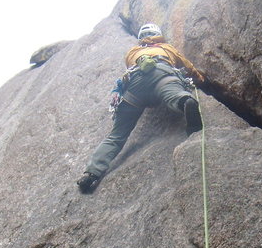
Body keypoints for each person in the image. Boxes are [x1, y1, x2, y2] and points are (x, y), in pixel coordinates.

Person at [77, 23, 206, 193]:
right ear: (157, 34)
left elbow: (128, 67)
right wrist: (199, 79)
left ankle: (91, 173)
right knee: (173, 94)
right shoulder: (166, 47)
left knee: (116, 135)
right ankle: (184, 101)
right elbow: (187, 66)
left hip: (136, 85)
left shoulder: (133, 52)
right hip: (163, 74)